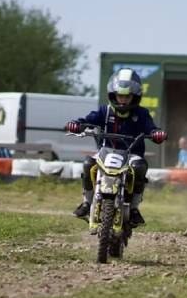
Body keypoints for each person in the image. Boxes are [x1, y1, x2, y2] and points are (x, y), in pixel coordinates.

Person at [65, 68, 167, 226]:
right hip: (105, 152)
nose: (123, 100)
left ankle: (134, 208)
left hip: (131, 155)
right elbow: (86, 120)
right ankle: (86, 203)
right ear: (113, 95)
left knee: (140, 167)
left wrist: (157, 133)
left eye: (127, 96)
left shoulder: (141, 114)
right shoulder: (104, 111)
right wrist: (76, 124)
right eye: (120, 95)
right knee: (88, 164)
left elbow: (151, 128)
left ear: (135, 97)